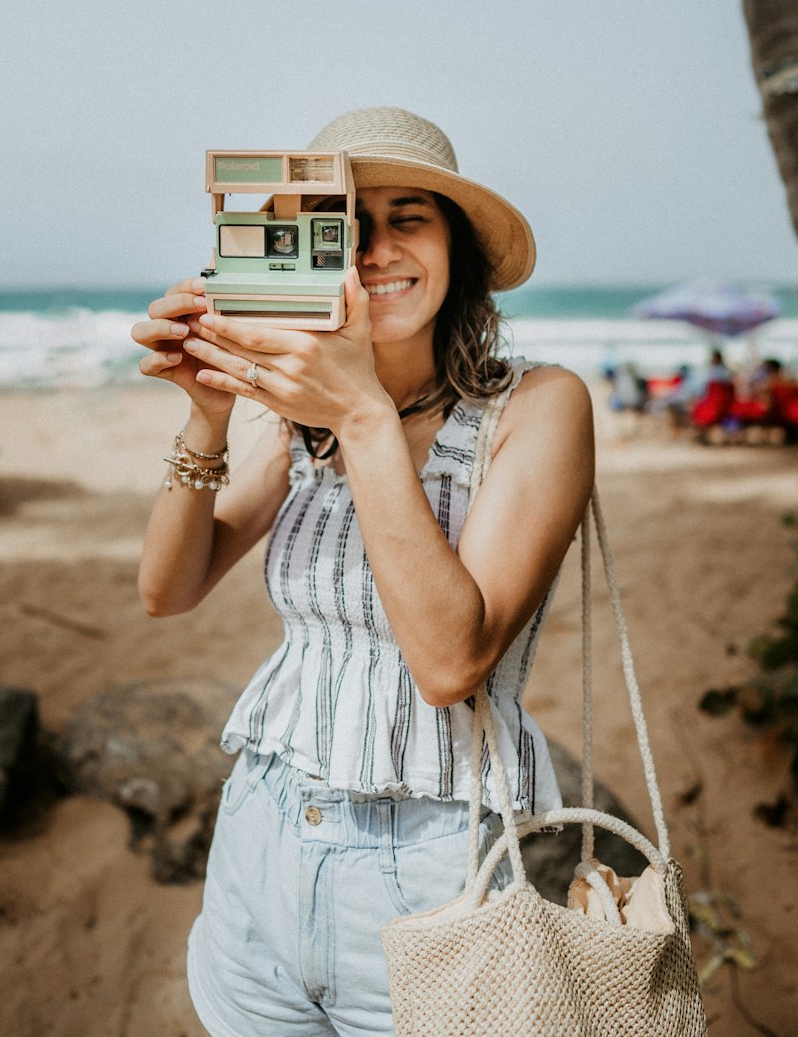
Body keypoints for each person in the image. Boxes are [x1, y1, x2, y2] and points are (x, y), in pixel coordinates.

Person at [132, 107, 594, 1037]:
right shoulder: (286, 421)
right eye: (346, 226)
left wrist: (366, 418)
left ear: (455, 248)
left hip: (428, 871)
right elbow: (166, 591)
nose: (376, 250)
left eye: (409, 217)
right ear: (309, 251)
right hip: (258, 844)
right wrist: (209, 416)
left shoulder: (535, 408)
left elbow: (449, 664)